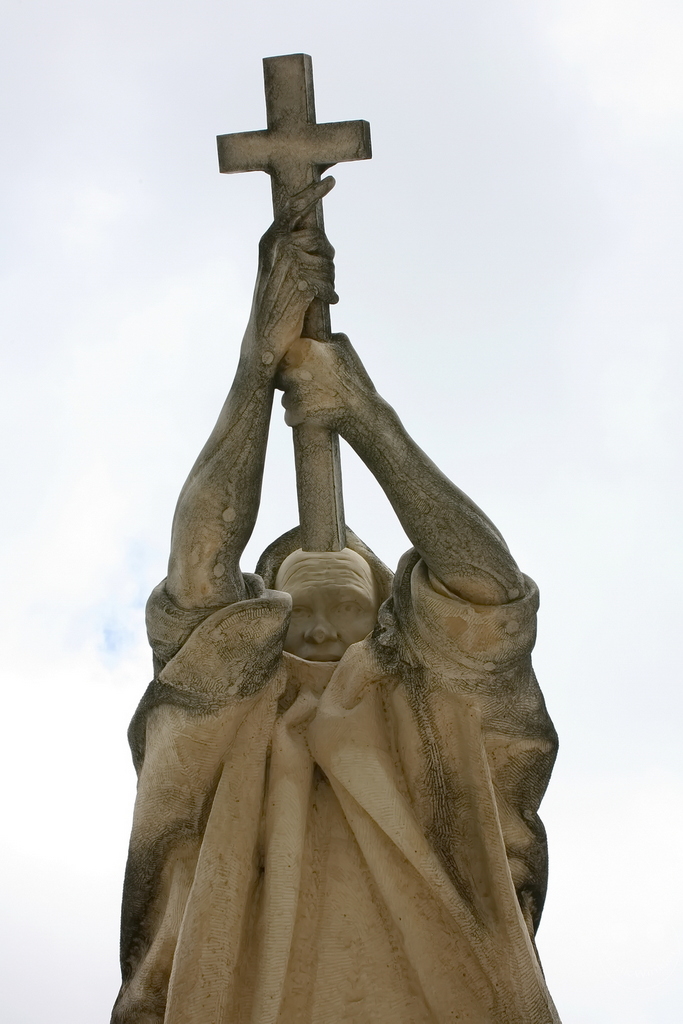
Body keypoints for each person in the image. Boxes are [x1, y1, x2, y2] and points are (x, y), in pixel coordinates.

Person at [111, 179, 560, 1024]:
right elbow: (201, 566)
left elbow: (488, 598)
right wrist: (256, 364)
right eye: (295, 610)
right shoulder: (229, 712)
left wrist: (365, 417)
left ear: (385, 623)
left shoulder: (431, 713)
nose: (316, 628)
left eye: (344, 611)